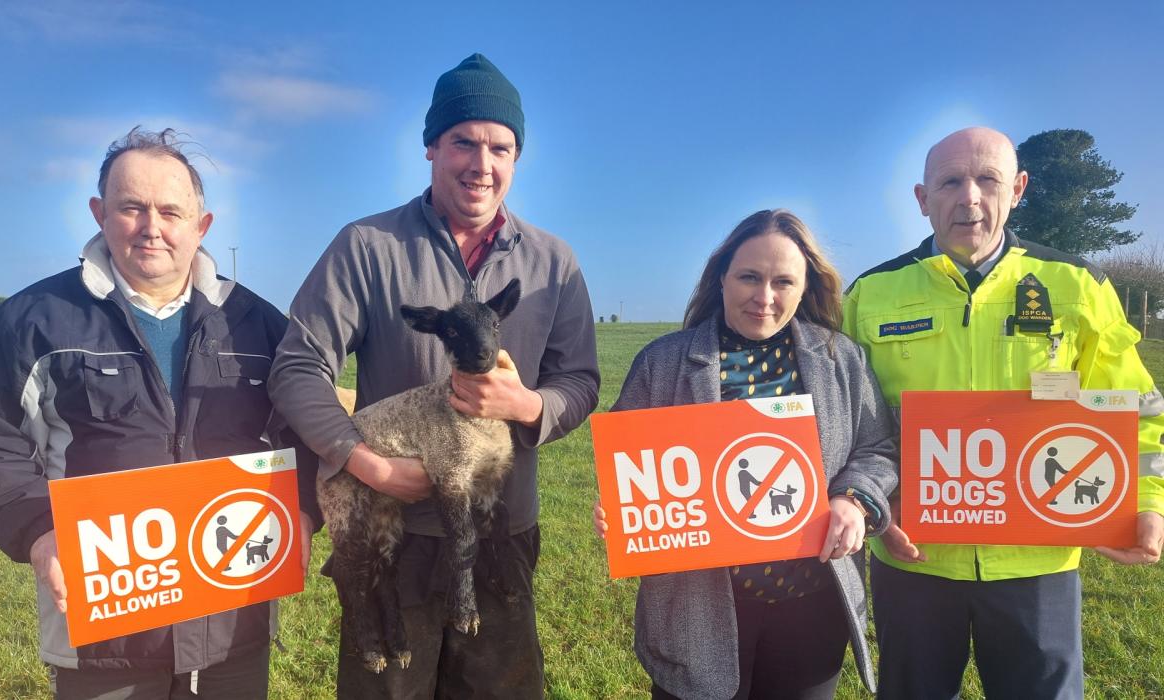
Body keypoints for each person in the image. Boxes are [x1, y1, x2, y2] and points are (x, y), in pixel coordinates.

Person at [267, 53, 599, 698]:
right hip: (395, 533)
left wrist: (529, 405)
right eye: (463, 142)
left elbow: (580, 380)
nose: (482, 164)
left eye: (500, 147)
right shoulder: (367, 247)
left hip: (501, 531)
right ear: (431, 148)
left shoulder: (554, 263)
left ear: (517, 157)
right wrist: (363, 462)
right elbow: (298, 365)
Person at [0, 127, 320, 698]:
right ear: (99, 213)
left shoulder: (259, 325)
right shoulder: (30, 324)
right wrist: (39, 529)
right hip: (106, 633)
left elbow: (308, 426)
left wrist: (302, 507)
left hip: (234, 619)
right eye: (132, 207)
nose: (152, 227)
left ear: (201, 226)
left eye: (171, 211)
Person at [842, 126, 1164, 699]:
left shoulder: (1077, 284)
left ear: (1017, 189)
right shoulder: (871, 293)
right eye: (950, 182)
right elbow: (845, 423)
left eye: (987, 179)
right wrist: (874, 505)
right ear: (922, 199)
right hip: (913, 555)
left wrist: (1146, 502)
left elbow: (1136, 405)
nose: (969, 197)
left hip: (1038, 557)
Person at [594, 209, 899, 699]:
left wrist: (853, 498)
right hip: (699, 605)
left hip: (811, 606)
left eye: (783, 281)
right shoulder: (661, 362)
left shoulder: (841, 358)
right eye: (749, 277)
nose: (765, 297)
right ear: (721, 277)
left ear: (805, 286)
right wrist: (620, 506)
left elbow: (876, 448)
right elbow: (627, 467)